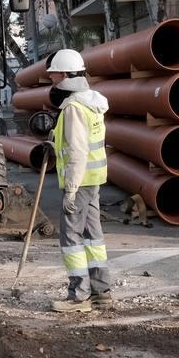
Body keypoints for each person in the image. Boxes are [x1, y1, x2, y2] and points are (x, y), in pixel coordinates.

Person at [44, 48, 111, 312]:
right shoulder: (93, 103)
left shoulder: (72, 108)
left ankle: (78, 296)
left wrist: (70, 190)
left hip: (79, 181)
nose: (51, 79)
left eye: (53, 74)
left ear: (64, 75)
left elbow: (77, 151)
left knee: (71, 237)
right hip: (93, 179)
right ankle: (101, 291)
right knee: (94, 236)